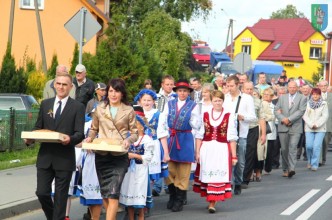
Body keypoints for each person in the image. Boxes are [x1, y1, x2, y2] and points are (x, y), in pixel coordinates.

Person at [25, 72, 85, 220]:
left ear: (71, 87)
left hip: (64, 158)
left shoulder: (77, 106)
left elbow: (79, 134)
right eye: (58, 84)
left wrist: (69, 139)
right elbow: (38, 127)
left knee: (60, 197)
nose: (61, 87)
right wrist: (30, 139)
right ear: (54, 85)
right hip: (45, 157)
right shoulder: (46, 104)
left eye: (65, 84)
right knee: (42, 193)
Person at [86, 78, 138, 220]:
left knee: (113, 193)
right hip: (102, 155)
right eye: (111, 91)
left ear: (122, 93)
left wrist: (128, 140)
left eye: (117, 91)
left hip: (119, 155)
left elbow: (135, 133)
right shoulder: (100, 108)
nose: (113, 94)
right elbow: (94, 128)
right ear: (107, 92)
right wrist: (89, 138)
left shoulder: (129, 110)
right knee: (105, 194)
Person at [193, 90, 238, 213]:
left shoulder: (229, 115)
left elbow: (232, 137)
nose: (217, 103)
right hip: (206, 149)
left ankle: (212, 201)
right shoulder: (205, 114)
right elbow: (199, 135)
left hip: (221, 150)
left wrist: (234, 156)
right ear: (211, 101)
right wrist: (197, 152)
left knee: (217, 177)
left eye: (220, 100)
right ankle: (211, 199)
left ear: (223, 101)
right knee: (208, 175)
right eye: (215, 101)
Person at [164, 79, 201, 212]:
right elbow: (164, 119)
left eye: (185, 91)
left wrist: (190, 121)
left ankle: (179, 200)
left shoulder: (193, 105)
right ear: (176, 91)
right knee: (169, 169)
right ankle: (173, 195)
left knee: (184, 171)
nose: (182, 93)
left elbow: (197, 123)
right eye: (180, 90)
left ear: (188, 92)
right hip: (171, 137)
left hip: (185, 138)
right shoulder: (170, 103)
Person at [119, 106, 154, 220]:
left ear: (142, 127)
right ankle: (130, 217)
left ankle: (141, 216)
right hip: (128, 171)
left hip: (140, 172)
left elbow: (148, 157)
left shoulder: (147, 140)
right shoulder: (128, 139)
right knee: (128, 193)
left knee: (139, 194)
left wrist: (134, 155)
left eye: (136, 124)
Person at [223, 75, 256, 195]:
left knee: (240, 160)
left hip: (241, 133)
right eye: (228, 86)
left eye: (232, 86)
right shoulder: (225, 98)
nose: (229, 88)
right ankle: (228, 182)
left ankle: (238, 181)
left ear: (238, 85)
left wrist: (243, 117)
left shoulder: (247, 98)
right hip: (226, 133)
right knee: (227, 159)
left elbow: (253, 117)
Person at [133, 89, 169, 197]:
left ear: (153, 102)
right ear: (140, 101)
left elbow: (162, 135)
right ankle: (139, 199)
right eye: (144, 100)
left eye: (149, 100)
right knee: (138, 175)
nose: (146, 102)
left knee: (149, 176)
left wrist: (166, 153)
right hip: (138, 146)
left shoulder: (159, 114)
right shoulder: (135, 113)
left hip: (153, 146)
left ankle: (146, 200)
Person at [274, 81, 307, 178]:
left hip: (295, 127)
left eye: (294, 87)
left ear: (297, 88)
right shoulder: (282, 97)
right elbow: (276, 110)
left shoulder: (302, 98)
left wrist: (289, 119)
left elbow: (301, 111)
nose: (292, 89)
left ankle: (291, 168)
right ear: (287, 88)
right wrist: (283, 119)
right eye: (290, 87)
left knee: (292, 147)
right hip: (283, 126)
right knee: (284, 149)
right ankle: (285, 168)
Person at [241, 81, 265, 187]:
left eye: (251, 89)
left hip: (252, 128)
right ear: (242, 89)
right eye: (247, 89)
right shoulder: (239, 100)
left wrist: (263, 134)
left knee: (250, 153)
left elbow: (261, 118)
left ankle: (245, 179)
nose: (249, 91)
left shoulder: (257, 101)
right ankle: (238, 175)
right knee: (240, 152)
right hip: (240, 129)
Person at [303, 88, 329, 171]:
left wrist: (317, 124)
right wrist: (311, 124)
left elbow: (325, 116)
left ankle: (314, 164)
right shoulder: (307, 104)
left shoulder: (324, 104)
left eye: (317, 94)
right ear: (311, 95)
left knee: (317, 146)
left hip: (320, 128)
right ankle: (310, 161)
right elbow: (305, 115)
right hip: (309, 128)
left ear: (319, 95)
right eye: (314, 94)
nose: (315, 96)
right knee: (309, 146)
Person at [318, 80, 332, 166]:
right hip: (318, 124)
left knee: (325, 143)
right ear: (319, 87)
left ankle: (323, 158)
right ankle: (318, 160)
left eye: (325, 86)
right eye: (321, 86)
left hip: (328, 124)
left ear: (327, 87)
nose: (323, 87)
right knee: (318, 143)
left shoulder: (331, 96)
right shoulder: (315, 96)